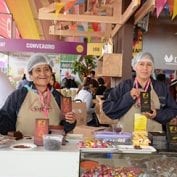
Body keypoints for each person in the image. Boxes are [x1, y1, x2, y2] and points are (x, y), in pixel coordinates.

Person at [0, 53, 76, 135]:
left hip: (50, 145)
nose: (43, 74)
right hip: (24, 145)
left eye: (46, 69)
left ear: (51, 73)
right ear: (31, 75)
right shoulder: (18, 96)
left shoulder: (58, 97)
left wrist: (71, 121)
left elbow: (65, 127)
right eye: (38, 70)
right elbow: (5, 121)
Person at [103, 52, 177, 132]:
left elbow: (173, 110)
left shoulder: (161, 88)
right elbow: (108, 109)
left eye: (149, 64)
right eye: (141, 64)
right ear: (134, 67)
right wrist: (128, 97)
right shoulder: (124, 86)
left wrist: (157, 114)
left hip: (153, 140)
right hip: (127, 139)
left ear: (152, 68)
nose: (145, 68)